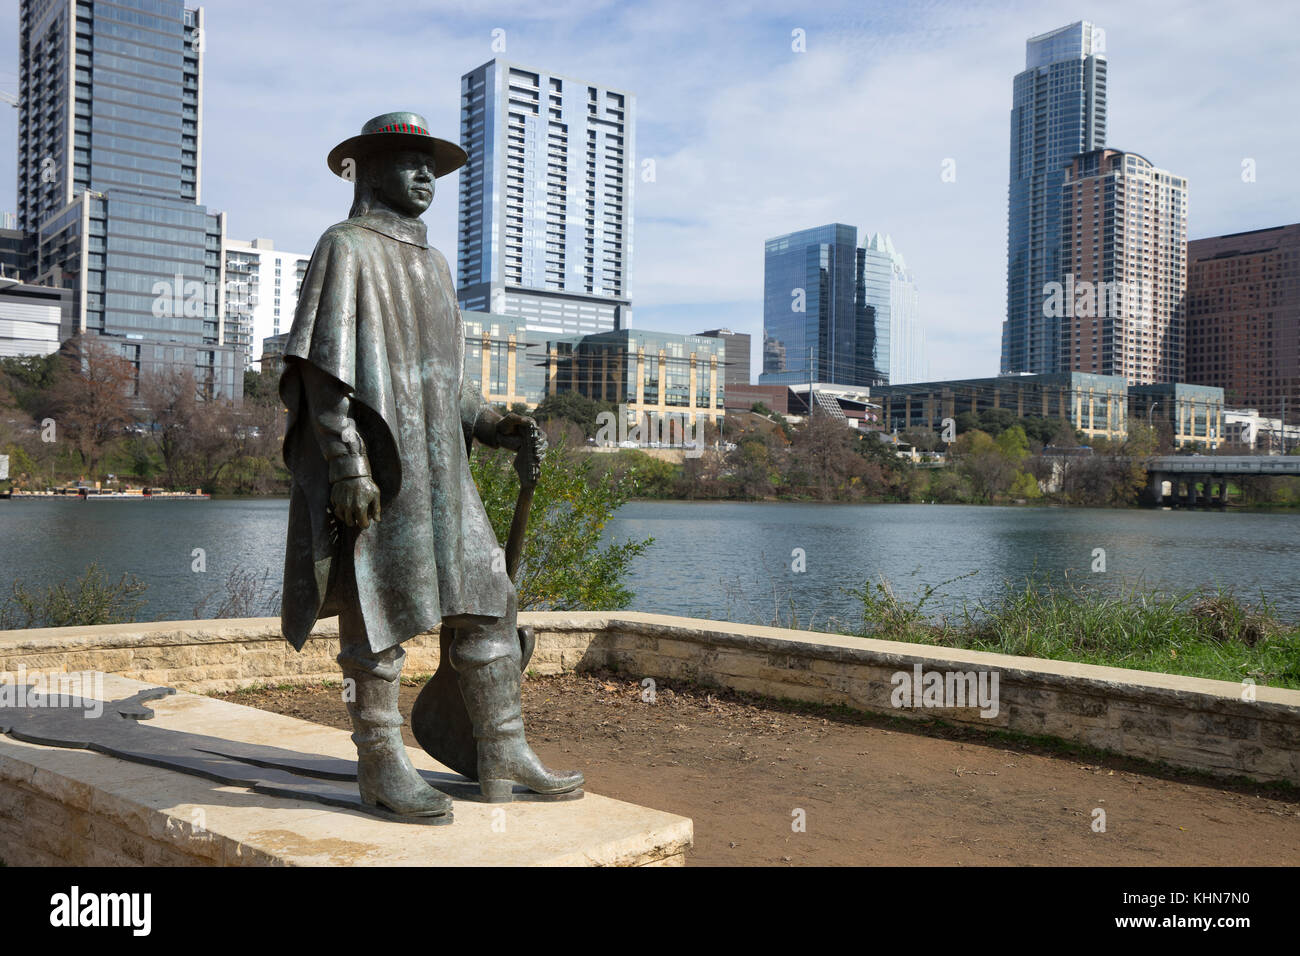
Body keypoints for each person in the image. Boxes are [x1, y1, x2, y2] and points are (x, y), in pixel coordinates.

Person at [279, 112, 582, 816]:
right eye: (410, 162)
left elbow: (444, 379)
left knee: (490, 606)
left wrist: (496, 423)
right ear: (371, 168)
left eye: (433, 166)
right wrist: (346, 461)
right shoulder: (344, 247)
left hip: (448, 474)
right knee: (375, 614)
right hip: (382, 471)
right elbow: (324, 372)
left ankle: (500, 749)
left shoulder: (433, 262)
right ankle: (380, 760)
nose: (426, 177)